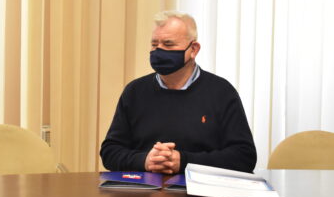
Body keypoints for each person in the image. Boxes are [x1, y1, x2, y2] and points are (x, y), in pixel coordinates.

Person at [100, 10, 256, 174]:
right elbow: (110, 152)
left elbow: (244, 157)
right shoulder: (135, 92)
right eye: (154, 44)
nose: (158, 51)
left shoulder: (221, 92)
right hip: (143, 187)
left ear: (193, 49)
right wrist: (145, 161)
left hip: (199, 189)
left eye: (168, 44)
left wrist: (184, 161)